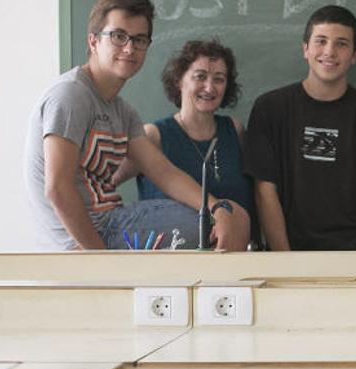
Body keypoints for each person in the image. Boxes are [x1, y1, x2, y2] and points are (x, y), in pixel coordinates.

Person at [24, 0, 250, 251]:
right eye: (119, 36)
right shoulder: (70, 95)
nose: (130, 48)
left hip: (112, 221)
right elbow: (57, 188)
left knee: (231, 214)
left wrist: (216, 207)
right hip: (82, 239)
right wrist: (99, 259)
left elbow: (165, 173)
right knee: (234, 218)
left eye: (139, 40)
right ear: (94, 41)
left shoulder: (123, 111)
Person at [243, 5, 356, 251]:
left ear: (354, 55)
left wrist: (348, 240)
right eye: (321, 41)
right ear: (305, 48)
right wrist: (286, 259)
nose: (330, 52)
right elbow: (264, 191)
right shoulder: (270, 109)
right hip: (288, 254)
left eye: (341, 44)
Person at [113, 39, 259, 248]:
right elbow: (103, 183)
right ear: (179, 80)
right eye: (200, 76)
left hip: (235, 265)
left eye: (219, 79)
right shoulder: (152, 136)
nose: (209, 87)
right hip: (169, 268)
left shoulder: (235, 131)